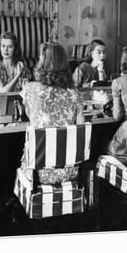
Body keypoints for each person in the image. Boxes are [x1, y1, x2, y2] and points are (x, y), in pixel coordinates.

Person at [20, 42, 85, 184]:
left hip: (37, 171)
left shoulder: (30, 89)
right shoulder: (74, 94)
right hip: (69, 171)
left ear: (42, 62)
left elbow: (31, 117)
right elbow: (81, 129)